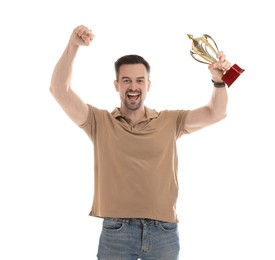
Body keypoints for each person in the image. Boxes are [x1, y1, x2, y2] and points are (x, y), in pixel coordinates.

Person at [50, 25, 231, 260]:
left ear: (148, 85)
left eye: (139, 80)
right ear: (117, 85)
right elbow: (59, 90)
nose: (133, 87)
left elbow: (216, 112)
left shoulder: (169, 121)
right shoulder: (99, 122)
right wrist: (73, 46)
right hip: (117, 232)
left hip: (163, 231)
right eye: (126, 80)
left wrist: (219, 82)